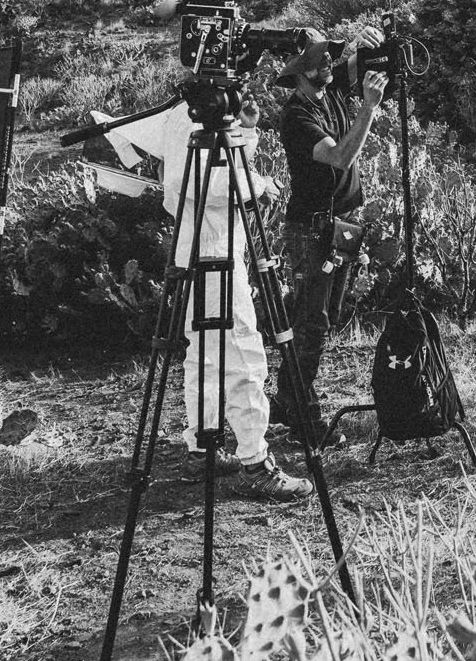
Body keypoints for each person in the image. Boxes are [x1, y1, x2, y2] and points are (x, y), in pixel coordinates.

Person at [98, 93, 314, 501]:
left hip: (204, 244)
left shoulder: (196, 110)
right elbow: (192, 182)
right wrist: (258, 185)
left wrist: (246, 132)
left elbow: (214, 167)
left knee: (205, 351)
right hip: (210, 247)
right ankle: (255, 460)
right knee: (243, 350)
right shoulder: (190, 116)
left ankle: (202, 447)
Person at [273, 26, 387, 448]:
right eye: (321, 59)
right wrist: (370, 109)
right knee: (311, 325)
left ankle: (288, 397)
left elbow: (355, 64)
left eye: (329, 57)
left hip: (342, 225)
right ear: (302, 72)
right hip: (311, 229)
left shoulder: (329, 89)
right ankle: (304, 418)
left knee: (320, 319)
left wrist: (367, 45)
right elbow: (339, 157)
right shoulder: (297, 116)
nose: (329, 63)